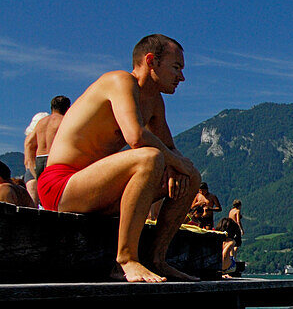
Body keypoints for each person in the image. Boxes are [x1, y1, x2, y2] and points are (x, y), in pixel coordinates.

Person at [37, 34, 201, 282]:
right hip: (61, 186)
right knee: (148, 158)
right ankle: (125, 259)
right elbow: (135, 136)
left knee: (191, 175)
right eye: (176, 67)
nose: (181, 77)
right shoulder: (120, 81)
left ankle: (156, 259)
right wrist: (174, 162)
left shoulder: (154, 102)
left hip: (96, 191)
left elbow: (171, 149)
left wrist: (181, 168)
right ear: (151, 61)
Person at [23, 96, 71, 205]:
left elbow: (29, 143)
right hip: (54, 159)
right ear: (67, 108)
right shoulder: (64, 121)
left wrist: (30, 163)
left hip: (40, 159)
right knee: (56, 194)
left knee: (43, 193)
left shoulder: (41, 123)